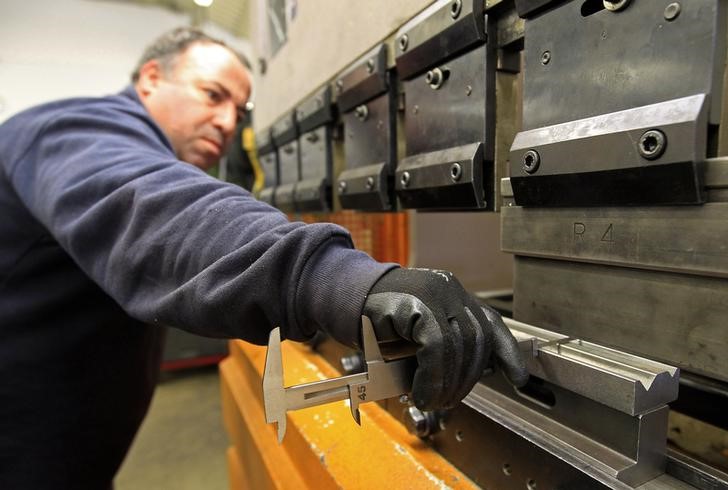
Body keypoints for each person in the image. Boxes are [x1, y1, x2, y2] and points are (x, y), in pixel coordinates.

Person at [0, 27, 527, 489]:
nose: (228, 122)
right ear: (151, 78)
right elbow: (158, 210)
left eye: (239, 111)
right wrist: (334, 279)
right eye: (212, 95)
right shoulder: (69, 130)